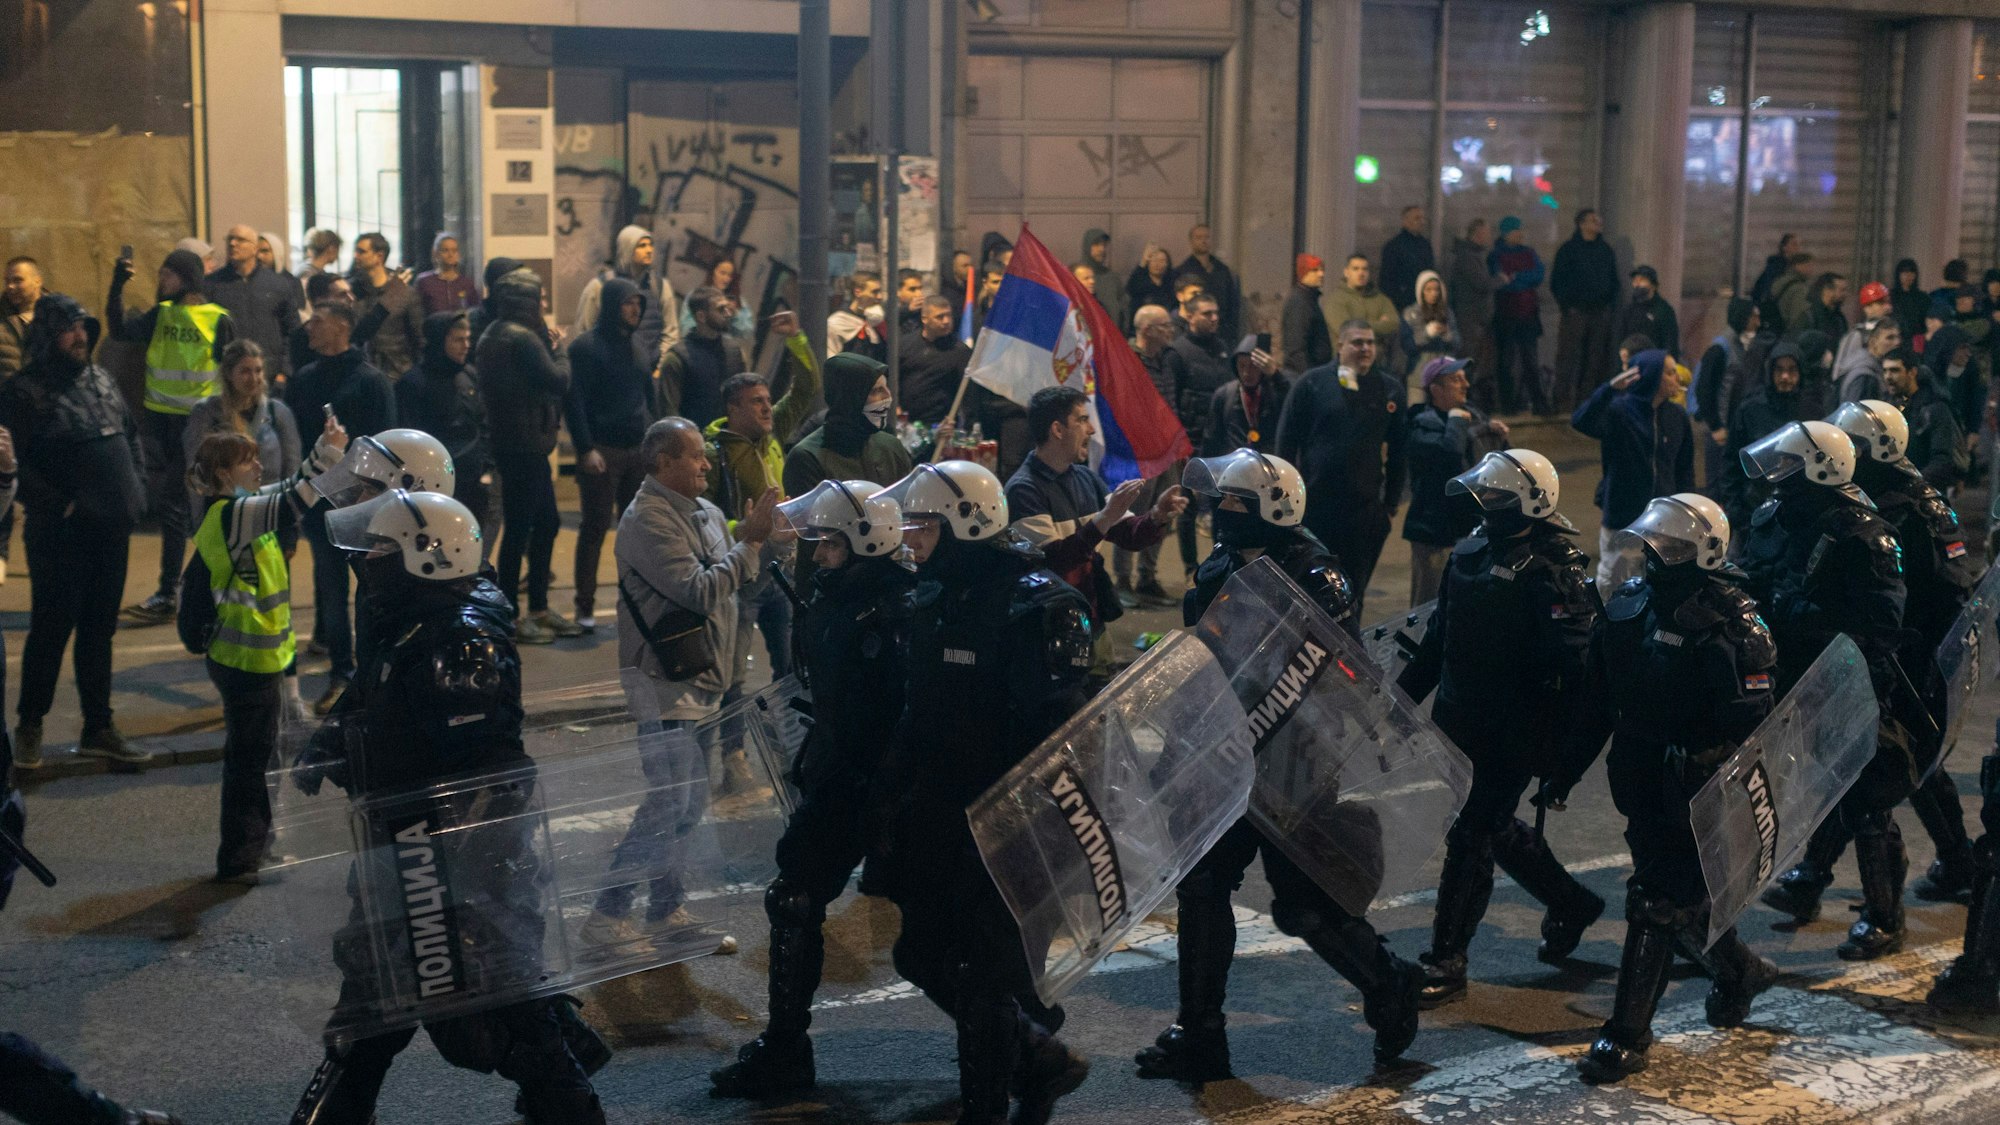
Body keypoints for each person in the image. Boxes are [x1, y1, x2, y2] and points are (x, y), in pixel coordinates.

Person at [287, 487, 610, 1125]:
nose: (370, 559)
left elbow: (466, 758)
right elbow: (382, 693)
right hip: (405, 847)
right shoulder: (413, 615)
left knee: (493, 1018)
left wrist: (364, 759)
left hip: (449, 860)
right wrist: (333, 739)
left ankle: (569, 1094)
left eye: (382, 547)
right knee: (373, 1005)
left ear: (426, 555)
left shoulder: (459, 639)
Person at [1134, 447, 1421, 1081]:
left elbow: (1334, 674)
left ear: (1275, 508)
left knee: (1304, 906)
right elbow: (1203, 661)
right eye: (1220, 501)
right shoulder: (1219, 566)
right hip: (1225, 753)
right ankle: (1201, 1035)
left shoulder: (1315, 574)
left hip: (1296, 758)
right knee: (1204, 885)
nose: (1221, 512)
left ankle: (1389, 979)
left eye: (1236, 503)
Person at [872, 459, 1094, 1125]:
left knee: (982, 970)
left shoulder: (1038, 602)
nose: (908, 537)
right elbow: (918, 711)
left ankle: (987, 1109)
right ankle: (1038, 1060)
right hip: (942, 813)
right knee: (919, 951)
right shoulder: (937, 594)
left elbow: (1057, 736)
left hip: (1013, 824)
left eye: (921, 524)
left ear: (966, 523)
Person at [1547, 492, 1779, 1083]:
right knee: (1674, 903)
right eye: (1653, 542)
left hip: (1700, 787)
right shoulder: (1628, 606)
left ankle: (1626, 1036)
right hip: (1641, 778)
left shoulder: (1732, 622)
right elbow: (1599, 701)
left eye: (1671, 545)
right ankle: (1740, 970)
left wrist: (1713, 760)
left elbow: (1755, 718)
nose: (1655, 552)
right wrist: (1565, 767)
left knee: (1655, 901)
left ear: (1703, 550)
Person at [708, 479, 915, 1098]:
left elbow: (905, 715)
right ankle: (786, 1050)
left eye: (828, 542)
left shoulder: (897, 611)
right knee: (794, 897)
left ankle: (1020, 1044)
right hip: (837, 780)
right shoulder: (836, 596)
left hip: (879, 787)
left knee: (934, 937)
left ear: (862, 540)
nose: (818, 552)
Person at [1397, 449, 1604, 1008]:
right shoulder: (1470, 552)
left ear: (1529, 502)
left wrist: (1563, 756)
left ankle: (1447, 958)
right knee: (1487, 826)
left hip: (1515, 733)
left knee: (1470, 836)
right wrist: (1396, 702)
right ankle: (1571, 901)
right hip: (1460, 721)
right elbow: (1440, 638)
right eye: (1483, 495)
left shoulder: (1557, 568)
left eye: (1497, 497)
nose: (1486, 504)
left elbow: (1578, 669)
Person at [1764, 400, 1981, 924]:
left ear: (1876, 449)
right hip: (1888, 650)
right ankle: (1815, 875)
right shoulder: (1869, 499)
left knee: (1905, 766)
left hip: (1912, 655)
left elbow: (1949, 595)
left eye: (1852, 444)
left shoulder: (1912, 506)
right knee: (1865, 766)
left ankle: (1953, 864)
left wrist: (1927, 661)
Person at [579, 417, 773, 951]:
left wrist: (761, 539)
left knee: (686, 805)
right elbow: (699, 590)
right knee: (668, 803)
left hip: (705, 679)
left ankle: (666, 911)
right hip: (663, 681)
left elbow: (734, 573)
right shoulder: (645, 520)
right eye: (693, 456)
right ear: (662, 463)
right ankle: (607, 915)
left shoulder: (707, 512)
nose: (706, 463)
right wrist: (751, 545)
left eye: (705, 454)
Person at [1736, 421, 1914, 960]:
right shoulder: (1778, 514)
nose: (1777, 476)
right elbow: (1756, 572)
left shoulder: (1864, 535)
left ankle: (1885, 916)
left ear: (1820, 469)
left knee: (1866, 799)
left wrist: (1795, 616)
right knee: (1830, 784)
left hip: (1846, 679)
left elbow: (1882, 623)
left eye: (1788, 465)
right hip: (1793, 673)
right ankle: (1811, 880)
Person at [183, 418, 342, 881]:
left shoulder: (244, 507)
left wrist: (321, 450)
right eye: (245, 460)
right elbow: (296, 499)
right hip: (244, 662)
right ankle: (241, 858)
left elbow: (292, 486)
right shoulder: (232, 516)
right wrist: (329, 453)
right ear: (220, 475)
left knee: (260, 759)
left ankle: (254, 848)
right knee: (251, 765)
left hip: (257, 659)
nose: (257, 466)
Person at [0, 294, 148, 768]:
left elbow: (130, 436)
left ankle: (98, 727)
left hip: (111, 532)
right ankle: (30, 726)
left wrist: (137, 491)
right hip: (60, 538)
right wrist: (62, 507)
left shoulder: (100, 378)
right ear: (47, 334)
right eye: (69, 327)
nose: (80, 335)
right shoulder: (22, 391)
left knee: (99, 631)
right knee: (50, 631)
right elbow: (15, 466)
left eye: (83, 325)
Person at [1005, 385, 1184, 677]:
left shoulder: (1085, 478)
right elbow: (1053, 561)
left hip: (1092, 619)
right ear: (1057, 429)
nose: (1090, 430)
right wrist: (1103, 519)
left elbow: (1128, 534)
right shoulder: (1024, 490)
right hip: (1048, 630)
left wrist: (1156, 516)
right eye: (1082, 420)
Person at [108, 247, 236, 625]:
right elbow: (118, 331)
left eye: (168, 274)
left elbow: (233, 372)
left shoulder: (217, 319)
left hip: (200, 428)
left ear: (187, 277)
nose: (161, 280)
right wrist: (116, 284)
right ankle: (204, 586)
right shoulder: (161, 314)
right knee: (193, 509)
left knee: (174, 504)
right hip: (163, 424)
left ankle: (168, 592)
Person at [288, 301, 398, 710]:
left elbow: (386, 445)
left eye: (317, 321)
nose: (309, 328)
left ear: (342, 327)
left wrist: (374, 494)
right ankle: (342, 672)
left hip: (362, 504)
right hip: (320, 505)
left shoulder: (371, 381)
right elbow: (296, 443)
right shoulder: (304, 380)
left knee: (369, 591)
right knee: (331, 592)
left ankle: (370, 673)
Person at [1274, 320, 1407, 612]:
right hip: (1316, 509)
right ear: (1340, 345)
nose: (1365, 349)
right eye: (1357, 342)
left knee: (1352, 594)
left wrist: (1391, 503)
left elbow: (1399, 450)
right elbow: (1286, 443)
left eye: (1370, 343)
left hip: (1363, 512)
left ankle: (1348, 654)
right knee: (1310, 589)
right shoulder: (1311, 384)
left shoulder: (1389, 389)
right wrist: (1285, 500)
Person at [478, 266, 576, 642]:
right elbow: (558, 379)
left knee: (544, 523)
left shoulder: (495, 333)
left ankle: (536, 607)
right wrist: (559, 347)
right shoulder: (521, 338)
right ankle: (515, 616)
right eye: (539, 297)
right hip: (525, 447)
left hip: (518, 444)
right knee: (522, 528)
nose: (543, 304)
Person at [566, 278, 657, 631]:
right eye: (627, 303)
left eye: (638, 303)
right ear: (610, 305)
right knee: (594, 528)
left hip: (637, 448)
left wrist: (656, 438)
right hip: (602, 450)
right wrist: (585, 448)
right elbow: (575, 403)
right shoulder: (585, 348)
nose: (634, 309)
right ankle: (584, 605)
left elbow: (649, 396)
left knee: (636, 530)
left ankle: (634, 600)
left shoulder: (638, 344)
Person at [781, 353, 915, 584]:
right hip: (830, 588)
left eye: (886, 388)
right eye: (875, 391)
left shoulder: (889, 446)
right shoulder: (807, 457)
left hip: (890, 582)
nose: (887, 398)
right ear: (849, 396)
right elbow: (817, 537)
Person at [1572, 350, 1694, 592]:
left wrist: (1685, 514)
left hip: (1664, 525)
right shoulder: (1620, 412)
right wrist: (1609, 388)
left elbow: (1684, 469)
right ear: (1652, 377)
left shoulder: (1676, 415)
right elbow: (1581, 421)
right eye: (1670, 373)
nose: (1677, 379)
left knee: (1658, 590)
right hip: (1624, 521)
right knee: (1616, 589)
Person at [1402, 357, 1508, 603]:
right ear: (1436, 390)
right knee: (1428, 603)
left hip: (1471, 532)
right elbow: (1450, 455)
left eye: (1464, 378)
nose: (1466, 385)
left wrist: (1497, 438)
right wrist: (1458, 420)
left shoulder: (1473, 416)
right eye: (1455, 380)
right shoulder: (1421, 425)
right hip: (1435, 535)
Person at [397, 312, 492, 559]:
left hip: (471, 482)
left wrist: (486, 465)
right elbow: (410, 439)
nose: (466, 345)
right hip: (435, 489)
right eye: (458, 340)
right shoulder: (414, 383)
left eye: (467, 339)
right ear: (440, 341)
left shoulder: (468, 375)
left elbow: (482, 422)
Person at [1114, 306, 1181, 604]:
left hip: (1167, 449)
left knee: (1164, 512)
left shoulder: (1165, 360)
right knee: (1133, 513)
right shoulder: (1127, 360)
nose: (1171, 330)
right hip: (1139, 451)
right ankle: (1123, 580)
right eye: (1165, 325)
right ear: (1147, 330)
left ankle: (1148, 577)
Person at [1164, 293, 1232, 576]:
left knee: (1221, 504)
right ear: (1190, 317)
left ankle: (1220, 564)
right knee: (1188, 508)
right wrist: (1179, 445)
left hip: (1218, 441)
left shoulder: (1222, 349)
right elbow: (1172, 400)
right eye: (1206, 313)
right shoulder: (1177, 353)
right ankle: (1191, 569)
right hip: (1189, 441)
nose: (1214, 318)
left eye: (1216, 312)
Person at [1721, 342, 1811, 532]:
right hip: (1755, 507)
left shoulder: (1811, 409)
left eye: (1792, 370)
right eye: (1779, 370)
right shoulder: (1751, 409)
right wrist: (1735, 509)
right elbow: (1732, 461)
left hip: (1800, 510)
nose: (1785, 377)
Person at [575, 224, 681, 371]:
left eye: (650, 245)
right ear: (627, 248)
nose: (649, 250)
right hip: (610, 373)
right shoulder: (599, 286)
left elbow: (671, 332)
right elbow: (584, 331)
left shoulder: (660, 286)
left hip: (650, 372)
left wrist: (660, 368)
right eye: (642, 246)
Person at [205, 224, 302, 381]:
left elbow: (292, 330)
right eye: (230, 239)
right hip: (226, 373)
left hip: (268, 373)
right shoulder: (212, 284)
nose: (233, 244)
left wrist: (284, 370)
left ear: (255, 248)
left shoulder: (277, 284)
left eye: (240, 240)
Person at [1693, 298, 1766, 493]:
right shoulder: (1721, 348)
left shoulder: (1741, 346)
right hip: (1720, 430)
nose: (1757, 323)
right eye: (1753, 317)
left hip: (1731, 428)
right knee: (1716, 482)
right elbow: (1705, 388)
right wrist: (1715, 425)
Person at [1550, 209, 1621, 413]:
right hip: (1576, 311)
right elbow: (1558, 281)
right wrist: (1567, 306)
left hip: (1599, 311)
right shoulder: (1569, 250)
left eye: (1598, 220)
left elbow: (1613, 280)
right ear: (1581, 224)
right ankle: (1561, 399)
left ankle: (1586, 399)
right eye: (1592, 220)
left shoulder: (1605, 250)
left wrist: (1609, 303)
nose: (1597, 223)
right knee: (1568, 357)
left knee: (1594, 358)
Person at [659, 285, 746, 429]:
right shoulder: (678, 358)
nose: (728, 313)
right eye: (720, 309)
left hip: (730, 441)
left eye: (727, 307)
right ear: (701, 316)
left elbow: (744, 397)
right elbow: (669, 414)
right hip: (695, 445)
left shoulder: (734, 351)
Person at [1488, 217, 1550, 414]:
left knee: (1530, 361)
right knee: (1507, 361)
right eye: (1516, 231)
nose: (1520, 234)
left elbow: (1538, 275)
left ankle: (1537, 402)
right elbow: (1502, 281)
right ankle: (1509, 403)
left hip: (1528, 315)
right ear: (1506, 233)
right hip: (1506, 315)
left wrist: (1516, 277)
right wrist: (1522, 279)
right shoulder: (1496, 255)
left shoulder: (1528, 252)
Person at [1885, 346, 1968, 492]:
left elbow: (1942, 459)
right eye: (1885, 371)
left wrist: (1915, 484)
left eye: (1895, 370)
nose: (1888, 377)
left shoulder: (1935, 408)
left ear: (1912, 372)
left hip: (1923, 496)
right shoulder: (1890, 405)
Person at [347, 232, 422, 380]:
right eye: (355, 251)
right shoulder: (351, 291)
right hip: (361, 373)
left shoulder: (404, 293)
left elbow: (418, 337)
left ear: (379, 256)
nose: (356, 256)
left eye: (361, 251)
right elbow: (355, 334)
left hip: (398, 373)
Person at [1205, 333, 1287, 456]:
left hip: (1267, 466)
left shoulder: (1275, 393)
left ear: (1262, 367)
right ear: (1234, 366)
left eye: (1253, 366)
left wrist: (1275, 375)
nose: (1246, 373)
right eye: (1242, 366)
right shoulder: (1224, 395)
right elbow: (1211, 442)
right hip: (1233, 469)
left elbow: (1295, 410)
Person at [1448, 220, 1502, 408]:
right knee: (1467, 360)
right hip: (1469, 318)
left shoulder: (1474, 256)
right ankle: (1461, 401)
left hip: (1476, 318)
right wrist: (1500, 280)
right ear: (1477, 234)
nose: (1489, 237)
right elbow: (1481, 284)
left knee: (1476, 361)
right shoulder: (1467, 258)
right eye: (1486, 233)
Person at [898, 295, 970, 426]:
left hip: (940, 424)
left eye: (949, 315)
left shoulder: (959, 351)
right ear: (925, 319)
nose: (946, 321)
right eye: (940, 317)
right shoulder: (904, 345)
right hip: (906, 421)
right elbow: (892, 377)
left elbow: (967, 393)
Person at [1325, 254, 1400, 369]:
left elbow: (1394, 324)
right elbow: (1347, 331)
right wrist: (1378, 325)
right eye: (1355, 269)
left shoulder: (1380, 299)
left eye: (1364, 269)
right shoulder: (1336, 300)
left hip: (1377, 365)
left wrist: (1360, 324)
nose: (1361, 273)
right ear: (1346, 272)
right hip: (1347, 366)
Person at [1180, 223, 1242, 344]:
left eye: (1207, 237)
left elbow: (1232, 303)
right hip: (1195, 331)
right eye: (1199, 237)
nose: (1204, 241)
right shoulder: (1183, 270)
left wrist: (1231, 331)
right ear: (1191, 241)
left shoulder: (1222, 270)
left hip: (1222, 332)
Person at [677, 257, 754, 348]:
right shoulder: (696, 296)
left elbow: (746, 332)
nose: (726, 279)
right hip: (698, 348)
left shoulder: (737, 301)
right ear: (713, 272)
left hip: (723, 352)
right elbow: (686, 326)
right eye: (722, 273)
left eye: (730, 275)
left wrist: (735, 315)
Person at [1399, 269, 1461, 378]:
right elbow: (1407, 345)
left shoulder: (1447, 313)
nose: (1433, 294)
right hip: (1418, 372)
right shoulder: (1410, 314)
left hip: (1443, 372)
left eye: (1436, 290)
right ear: (1421, 291)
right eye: (1428, 290)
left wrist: (1447, 335)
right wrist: (1426, 334)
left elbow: (1458, 343)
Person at [1613, 266, 1679, 360]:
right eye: (1635, 280)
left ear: (1653, 285)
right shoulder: (1628, 310)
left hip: (1655, 362)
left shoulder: (1664, 310)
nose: (1637, 284)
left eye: (1642, 280)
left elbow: (1670, 342)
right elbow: (1619, 340)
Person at [1281, 253, 1333, 375]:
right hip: (1302, 374)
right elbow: (1295, 349)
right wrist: (1310, 379)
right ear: (1303, 273)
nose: (1321, 274)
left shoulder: (1308, 300)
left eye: (1322, 269)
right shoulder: (1299, 303)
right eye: (1315, 270)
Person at [1380, 204, 1437, 313]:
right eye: (1417, 218)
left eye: (1422, 218)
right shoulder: (1394, 246)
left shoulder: (1425, 245)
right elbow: (1387, 279)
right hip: (1402, 302)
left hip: (1424, 300)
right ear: (1405, 221)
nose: (1421, 222)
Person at [1832, 281, 1894, 375]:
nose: (1887, 307)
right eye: (1881, 303)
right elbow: (1841, 370)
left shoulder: (1893, 333)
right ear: (1867, 308)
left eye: (1888, 302)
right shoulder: (1858, 335)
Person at [1834, 319, 1902, 404]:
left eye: (1898, 337)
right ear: (1873, 341)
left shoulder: (1875, 367)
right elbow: (1857, 413)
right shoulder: (1865, 375)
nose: (1897, 342)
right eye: (1890, 338)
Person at [413, 232, 480, 316]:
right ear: (436, 254)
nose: (450, 254)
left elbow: (475, 312)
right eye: (445, 250)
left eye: (454, 250)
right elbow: (416, 313)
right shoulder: (424, 282)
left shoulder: (467, 284)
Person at [827, 271, 887, 360]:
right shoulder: (837, 322)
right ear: (858, 292)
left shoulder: (875, 321)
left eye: (880, 292)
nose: (879, 297)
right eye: (874, 292)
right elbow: (831, 357)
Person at [0, 257, 42, 381]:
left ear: (37, 281)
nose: (10, 286)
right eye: (7, 281)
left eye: (18, 280)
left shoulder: (59, 319)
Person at [1125, 244, 1176, 335]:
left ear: (1167, 264)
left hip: (1164, 330)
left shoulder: (1171, 283)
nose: (1157, 264)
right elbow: (1130, 288)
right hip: (1142, 330)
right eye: (1154, 260)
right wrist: (1143, 262)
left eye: (1161, 261)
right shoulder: (1140, 282)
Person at [1082, 228, 1125, 330]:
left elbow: (1124, 309)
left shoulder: (1113, 278)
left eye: (1104, 245)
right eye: (1096, 244)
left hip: (1113, 339)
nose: (1101, 249)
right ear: (1087, 246)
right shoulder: (1076, 276)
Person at [1749, 233, 1799, 314]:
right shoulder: (1776, 266)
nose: (1797, 248)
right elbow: (1769, 287)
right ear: (1784, 247)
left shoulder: (1790, 266)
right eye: (1794, 244)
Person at [1804, 272, 1851, 341]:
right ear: (1827, 290)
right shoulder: (1809, 316)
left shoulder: (1839, 318)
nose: (1845, 294)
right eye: (1842, 290)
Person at [1890, 260, 1929, 341]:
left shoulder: (1923, 297)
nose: (1909, 275)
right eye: (1905, 272)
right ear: (1898, 275)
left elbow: (1925, 322)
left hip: (1917, 339)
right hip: (1895, 338)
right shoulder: (1890, 296)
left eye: (1912, 272)